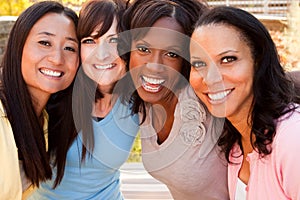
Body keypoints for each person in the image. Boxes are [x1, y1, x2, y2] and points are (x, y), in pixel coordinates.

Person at [117, 0, 229, 199]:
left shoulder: (209, 100)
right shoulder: (144, 102)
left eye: (171, 54)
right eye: (143, 49)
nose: (154, 66)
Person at [29, 0, 139, 199]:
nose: (102, 54)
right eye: (90, 41)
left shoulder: (140, 98)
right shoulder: (54, 94)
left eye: (114, 41)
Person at [189, 6, 300, 200]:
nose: (210, 78)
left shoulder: (292, 139)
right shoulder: (236, 146)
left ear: (258, 63)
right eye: (199, 64)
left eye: (228, 59)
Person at [0, 1, 79, 199]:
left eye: (69, 48)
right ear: (19, 46)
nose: (57, 59)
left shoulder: (44, 119)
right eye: (45, 43)